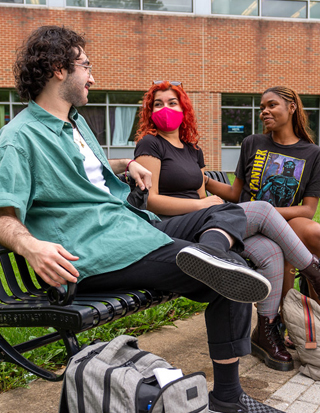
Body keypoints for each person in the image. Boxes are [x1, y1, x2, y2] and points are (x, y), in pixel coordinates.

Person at [0, 26, 283, 413]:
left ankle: (210, 251)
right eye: (86, 66)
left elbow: (86, 170)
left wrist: (125, 163)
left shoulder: (76, 122)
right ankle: (229, 398)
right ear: (57, 68)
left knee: (226, 210)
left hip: (133, 227)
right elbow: (3, 214)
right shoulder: (18, 139)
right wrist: (30, 245)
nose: (93, 76)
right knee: (234, 272)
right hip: (99, 251)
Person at [134, 81, 320, 374]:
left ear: (184, 109)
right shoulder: (150, 143)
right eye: (158, 103)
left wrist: (206, 203)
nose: (165, 109)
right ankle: (314, 271)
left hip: (204, 223)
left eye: (172, 103)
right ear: (149, 110)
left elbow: (200, 193)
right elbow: (152, 201)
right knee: (262, 208)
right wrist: (203, 206)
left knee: (271, 251)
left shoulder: (192, 149)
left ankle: (265, 331)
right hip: (170, 228)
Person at [205, 85, 320, 346]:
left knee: (314, 233)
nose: (264, 112)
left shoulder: (312, 154)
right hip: (247, 224)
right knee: (285, 254)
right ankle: (281, 325)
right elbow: (236, 193)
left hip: (288, 223)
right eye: (261, 108)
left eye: (271, 105)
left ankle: (312, 323)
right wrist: (203, 181)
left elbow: (308, 210)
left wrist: (271, 216)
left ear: (291, 108)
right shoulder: (252, 143)